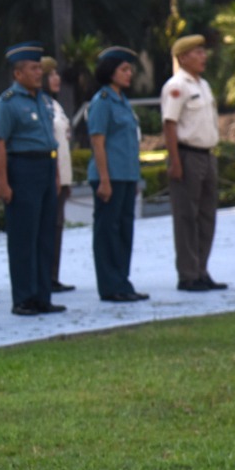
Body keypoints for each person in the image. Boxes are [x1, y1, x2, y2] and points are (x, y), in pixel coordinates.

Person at [0, 43, 62, 316]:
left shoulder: (43, 100)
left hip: (45, 167)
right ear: (18, 73)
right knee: (23, 237)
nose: (38, 73)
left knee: (45, 236)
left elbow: (51, 142)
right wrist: (4, 182)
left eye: (39, 68)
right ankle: (23, 297)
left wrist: (54, 174)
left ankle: (43, 295)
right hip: (23, 169)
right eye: (33, 68)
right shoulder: (7, 103)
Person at [161, 34, 226, 291]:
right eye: (197, 52)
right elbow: (169, 125)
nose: (203, 57)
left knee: (207, 215)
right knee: (186, 216)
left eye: (203, 52)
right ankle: (188, 274)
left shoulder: (203, 85)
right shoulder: (177, 86)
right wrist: (175, 162)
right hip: (187, 155)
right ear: (183, 57)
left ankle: (201, 269)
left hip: (207, 154)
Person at [86, 46, 148, 302]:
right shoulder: (102, 101)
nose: (129, 73)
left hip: (126, 175)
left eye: (129, 69)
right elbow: (98, 142)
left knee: (124, 231)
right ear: (110, 72)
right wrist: (104, 179)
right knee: (107, 232)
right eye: (123, 69)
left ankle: (122, 281)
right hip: (109, 176)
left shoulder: (122, 101)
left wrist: (134, 177)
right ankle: (110, 286)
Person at [43, 56, 76, 293]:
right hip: (49, 178)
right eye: (50, 74)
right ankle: (44, 276)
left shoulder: (55, 105)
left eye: (56, 73)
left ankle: (52, 276)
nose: (57, 78)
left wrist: (66, 179)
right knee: (47, 228)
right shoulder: (40, 104)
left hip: (61, 178)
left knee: (56, 228)